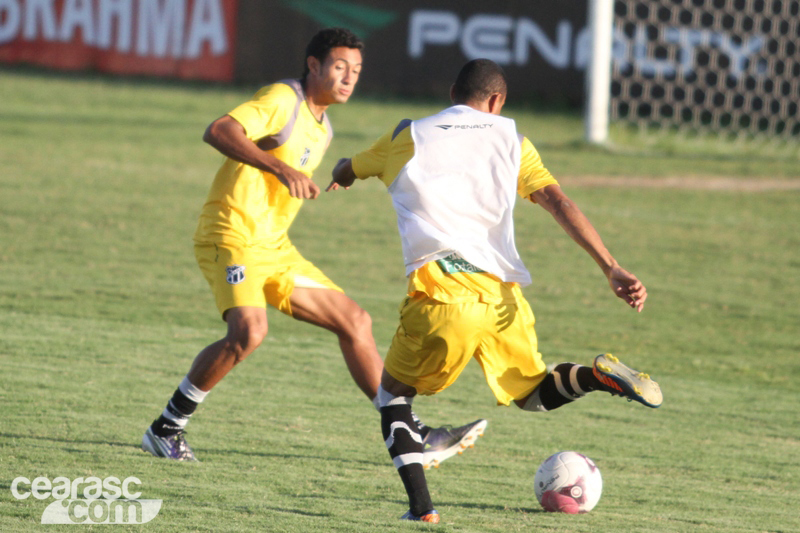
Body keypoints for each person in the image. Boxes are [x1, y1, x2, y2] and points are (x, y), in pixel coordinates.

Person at [328, 58, 662, 523]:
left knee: (392, 397)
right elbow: (558, 202)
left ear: (451, 92)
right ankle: (597, 377)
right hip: (503, 299)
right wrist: (611, 266)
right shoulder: (513, 140)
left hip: (441, 295)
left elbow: (353, 168)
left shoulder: (409, 135)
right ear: (496, 101)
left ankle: (421, 509)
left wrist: (341, 171)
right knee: (533, 394)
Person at [141, 28, 486, 464]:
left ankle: (409, 429)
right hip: (230, 236)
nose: (348, 78)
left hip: (273, 249)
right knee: (250, 331)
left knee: (355, 321)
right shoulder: (282, 100)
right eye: (340, 67)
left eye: (356, 71)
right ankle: (167, 427)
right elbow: (220, 130)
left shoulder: (323, 129)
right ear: (314, 65)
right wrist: (280, 169)